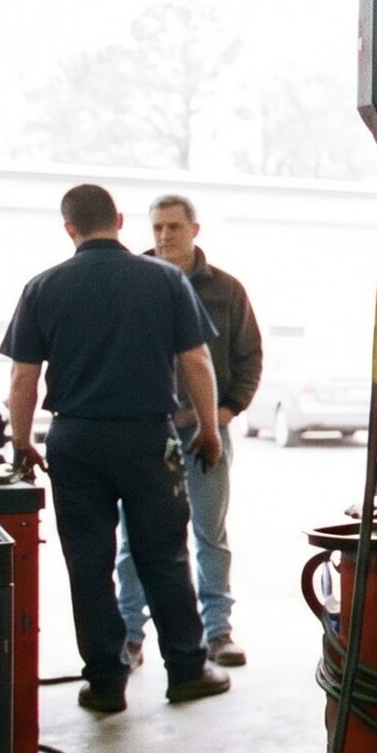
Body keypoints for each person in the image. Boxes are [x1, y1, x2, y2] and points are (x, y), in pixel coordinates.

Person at [2, 183, 230, 713]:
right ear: (120, 220)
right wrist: (209, 430)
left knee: (88, 561)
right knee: (164, 556)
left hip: (75, 441)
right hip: (146, 437)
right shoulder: (166, 280)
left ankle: (105, 683)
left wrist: (19, 441)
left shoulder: (43, 286)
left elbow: (22, 377)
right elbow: (196, 361)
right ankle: (187, 670)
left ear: (70, 229)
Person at [116, 193, 262, 668]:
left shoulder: (226, 291)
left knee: (209, 533)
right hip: (145, 434)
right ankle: (130, 636)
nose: (163, 237)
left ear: (194, 231)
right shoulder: (131, 282)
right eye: (156, 228)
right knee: (133, 537)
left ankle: (218, 632)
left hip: (204, 434)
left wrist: (226, 411)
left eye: (173, 228)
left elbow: (249, 356)